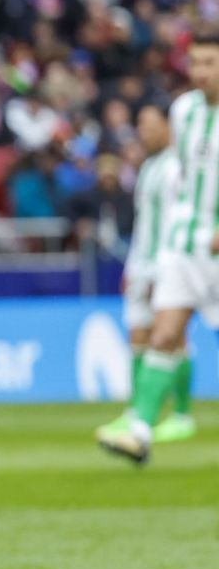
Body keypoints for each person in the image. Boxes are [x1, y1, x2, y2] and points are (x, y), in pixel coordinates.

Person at [100, 29, 219, 464]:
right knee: (165, 334)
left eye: (211, 63)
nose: (202, 72)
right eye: (197, 63)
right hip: (185, 247)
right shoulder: (184, 111)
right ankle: (140, 431)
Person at [96, 104, 192, 446]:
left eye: (150, 125)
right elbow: (146, 226)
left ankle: (182, 414)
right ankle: (138, 410)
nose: (143, 131)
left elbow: (171, 225)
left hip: (164, 267)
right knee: (139, 336)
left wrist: (162, 271)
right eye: (140, 124)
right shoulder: (149, 166)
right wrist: (134, 266)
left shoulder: (174, 169)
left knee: (172, 337)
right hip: (143, 264)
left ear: (169, 127)